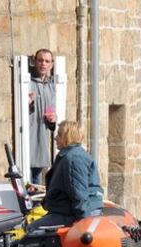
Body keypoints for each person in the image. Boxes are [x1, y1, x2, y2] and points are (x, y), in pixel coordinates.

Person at [27, 121, 104, 232]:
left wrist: (85, 227)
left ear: (67, 137)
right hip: (70, 211)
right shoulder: (70, 155)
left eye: (59, 135)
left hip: (79, 213)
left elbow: (79, 194)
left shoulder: (73, 158)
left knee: (31, 230)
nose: (55, 138)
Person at [29, 48, 56, 184]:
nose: (43, 64)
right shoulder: (27, 82)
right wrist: (29, 103)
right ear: (34, 61)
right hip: (27, 142)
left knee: (37, 184)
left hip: (41, 141)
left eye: (47, 61)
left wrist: (52, 120)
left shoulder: (51, 85)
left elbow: (52, 120)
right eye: (40, 60)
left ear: (51, 64)